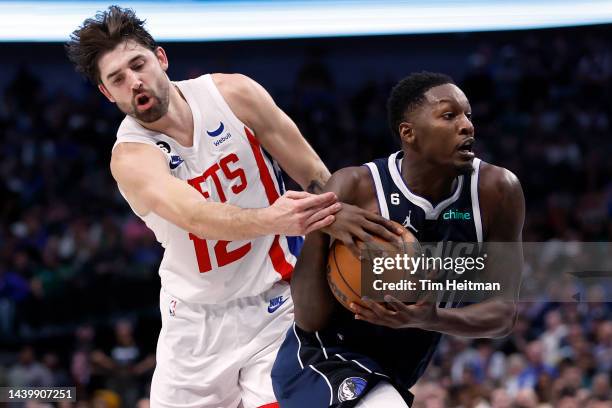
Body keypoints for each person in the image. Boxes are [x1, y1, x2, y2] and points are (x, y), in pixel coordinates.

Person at [65, 6, 400, 408]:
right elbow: (195, 215)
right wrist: (272, 218)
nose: (134, 81)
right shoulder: (131, 157)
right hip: (195, 326)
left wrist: (334, 216)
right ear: (107, 93)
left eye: (138, 64)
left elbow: (312, 171)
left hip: (276, 307)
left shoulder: (232, 94)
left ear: (161, 58)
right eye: (117, 79)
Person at [271, 72, 525, 407]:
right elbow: (308, 322)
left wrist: (431, 318)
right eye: (449, 116)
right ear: (409, 133)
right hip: (324, 359)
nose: (466, 126)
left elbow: (503, 314)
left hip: (395, 373)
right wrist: (320, 227)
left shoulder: (498, 192)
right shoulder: (354, 188)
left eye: (468, 115)